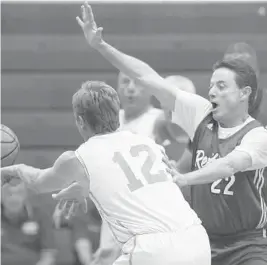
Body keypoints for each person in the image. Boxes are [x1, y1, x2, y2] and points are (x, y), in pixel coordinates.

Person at [74, 3, 267, 265]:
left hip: (247, 245)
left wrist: (185, 178)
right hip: (203, 240)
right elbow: (147, 77)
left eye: (221, 86)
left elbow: (230, 164)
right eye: (211, 85)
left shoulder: (257, 135)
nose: (211, 92)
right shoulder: (201, 113)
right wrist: (101, 46)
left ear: (244, 93)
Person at [1, 80, 211, 265]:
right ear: (116, 115)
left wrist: (16, 169)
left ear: (80, 122)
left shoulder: (78, 157)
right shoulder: (150, 144)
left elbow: (39, 182)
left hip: (152, 250)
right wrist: (85, 186)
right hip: (197, 240)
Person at [1, 180, 56, 265]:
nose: (14, 198)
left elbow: (49, 254)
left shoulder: (40, 215)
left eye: (19, 193)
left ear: (25, 194)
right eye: (9, 193)